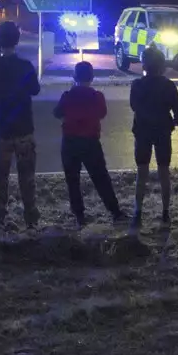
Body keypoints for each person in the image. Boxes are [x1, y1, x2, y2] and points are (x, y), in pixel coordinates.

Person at [0, 20, 41, 232]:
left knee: (1, 177)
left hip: (3, 130)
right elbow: (35, 89)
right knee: (27, 177)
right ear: (17, 40)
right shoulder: (25, 66)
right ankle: (31, 218)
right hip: (24, 128)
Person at [53, 60, 124, 229]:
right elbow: (102, 113)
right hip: (91, 142)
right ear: (91, 78)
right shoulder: (97, 96)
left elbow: (57, 113)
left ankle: (79, 216)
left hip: (70, 142)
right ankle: (114, 211)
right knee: (101, 178)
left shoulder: (67, 96)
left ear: (74, 77)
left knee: (73, 180)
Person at [130, 47, 178, 230]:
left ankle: (137, 212)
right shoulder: (168, 86)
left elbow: (134, 106)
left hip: (143, 130)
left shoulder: (137, 85)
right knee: (163, 171)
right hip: (162, 131)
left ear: (144, 65)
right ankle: (165, 212)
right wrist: (176, 119)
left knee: (142, 171)